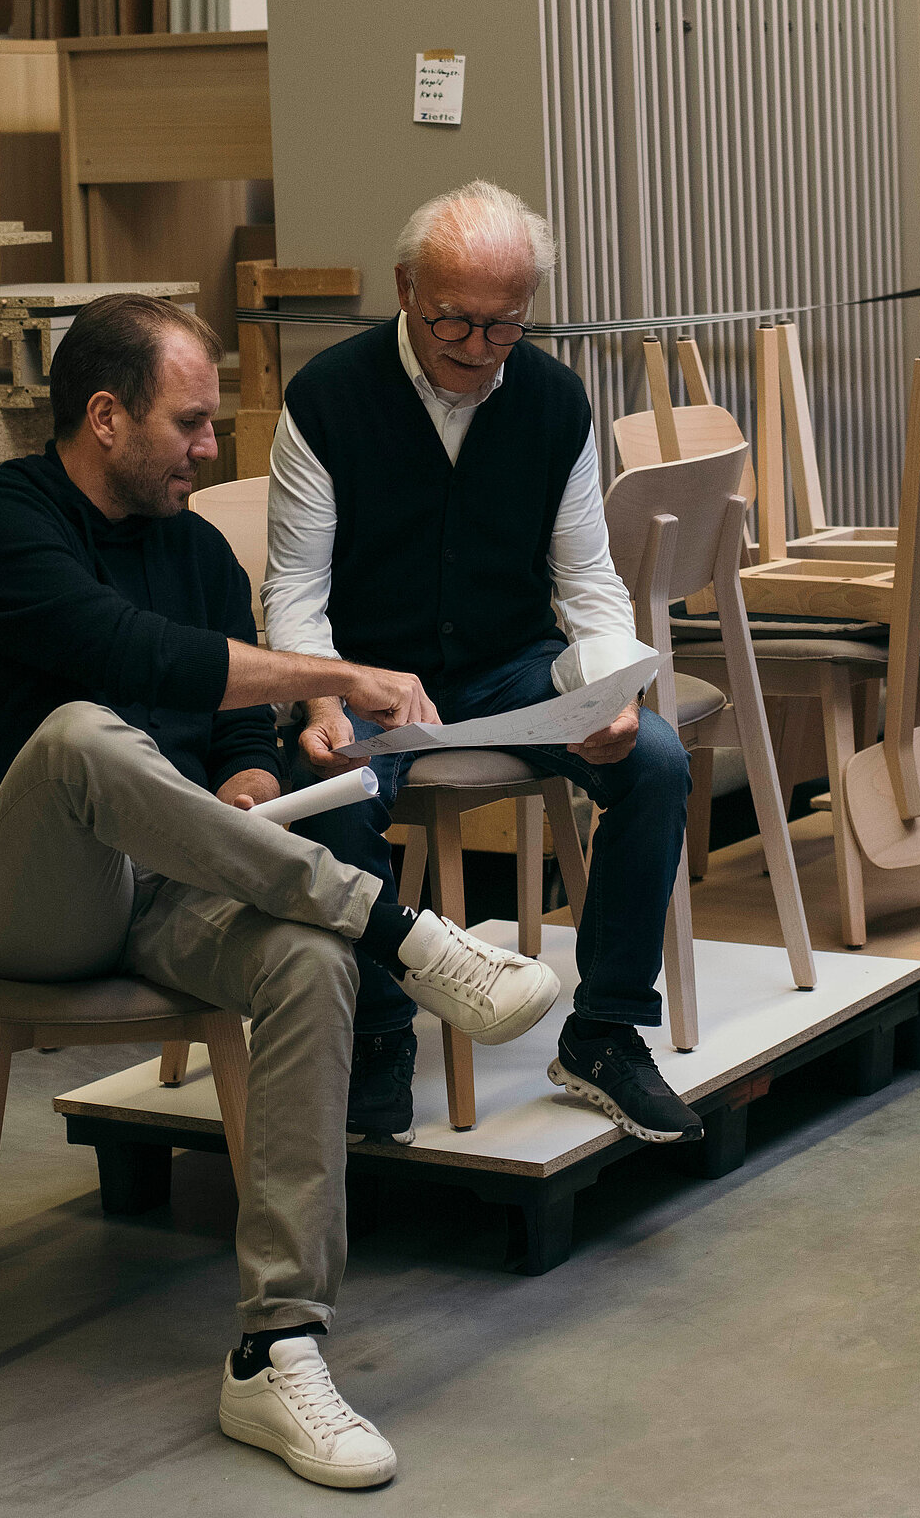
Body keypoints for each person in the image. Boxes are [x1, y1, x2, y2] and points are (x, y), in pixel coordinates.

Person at [0, 293, 561, 1490]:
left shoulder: (200, 551)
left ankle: (277, 1344)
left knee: (307, 959)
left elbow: (230, 745)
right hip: (18, 902)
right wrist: (336, 668)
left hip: (168, 888)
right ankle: (404, 931)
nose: (216, 451)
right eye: (195, 424)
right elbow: (136, 659)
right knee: (80, 735)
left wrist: (262, 777)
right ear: (104, 417)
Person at [264, 179, 701, 1149]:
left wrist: (608, 685)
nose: (474, 347)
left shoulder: (553, 401)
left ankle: (606, 1030)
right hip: (372, 675)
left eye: (502, 327)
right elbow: (294, 586)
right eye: (451, 320)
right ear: (406, 287)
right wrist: (323, 698)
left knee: (658, 759)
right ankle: (379, 1031)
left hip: (509, 665)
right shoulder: (327, 398)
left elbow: (588, 583)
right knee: (329, 786)